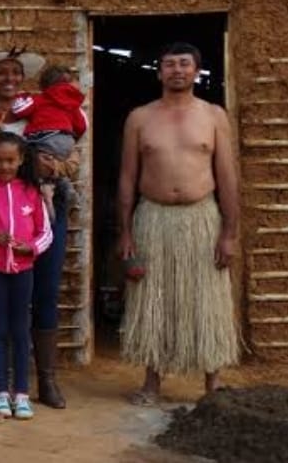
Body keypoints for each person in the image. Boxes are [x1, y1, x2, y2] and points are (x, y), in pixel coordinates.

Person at [118, 42, 240, 405]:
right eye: (169, 65)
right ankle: (152, 382)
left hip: (200, 218)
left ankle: (213, 382)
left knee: (206, 298)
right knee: (153, 299)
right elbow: (127, 177)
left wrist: (229, 233)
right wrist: (124, 230)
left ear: (197, 72)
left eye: (184, 64)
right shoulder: (139, 117)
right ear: (159, 73)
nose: (177, 70)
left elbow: (228, 177)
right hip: (152, 218)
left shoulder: (214, 115)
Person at [0, 47, 72, 409]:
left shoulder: (44, 109)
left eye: (15, 72)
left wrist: (55, 169)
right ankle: (0, 384)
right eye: (1, 73)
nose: (9, 79)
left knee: (44, 289)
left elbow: (70, 155)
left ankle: (45, 379)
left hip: (42, 208)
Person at [0, 132, 53, 420]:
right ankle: (1, 391)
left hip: (23, 272)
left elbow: (45, 233)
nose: (4, 166)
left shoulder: (31, 192)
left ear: (20, 161)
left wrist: (28, 248)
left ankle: (22, 393)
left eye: (10, 161)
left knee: (20, 331)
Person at [7, 64, 87, 220]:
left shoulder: (41, 99)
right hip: (66, 141)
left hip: (45, 138)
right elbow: (82, 126)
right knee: (53, 166)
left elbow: (19, 110)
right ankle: (65, 187)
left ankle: (46, 192)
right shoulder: (72, 106)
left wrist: (21, 97)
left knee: (29, 156)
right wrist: (69, 137)